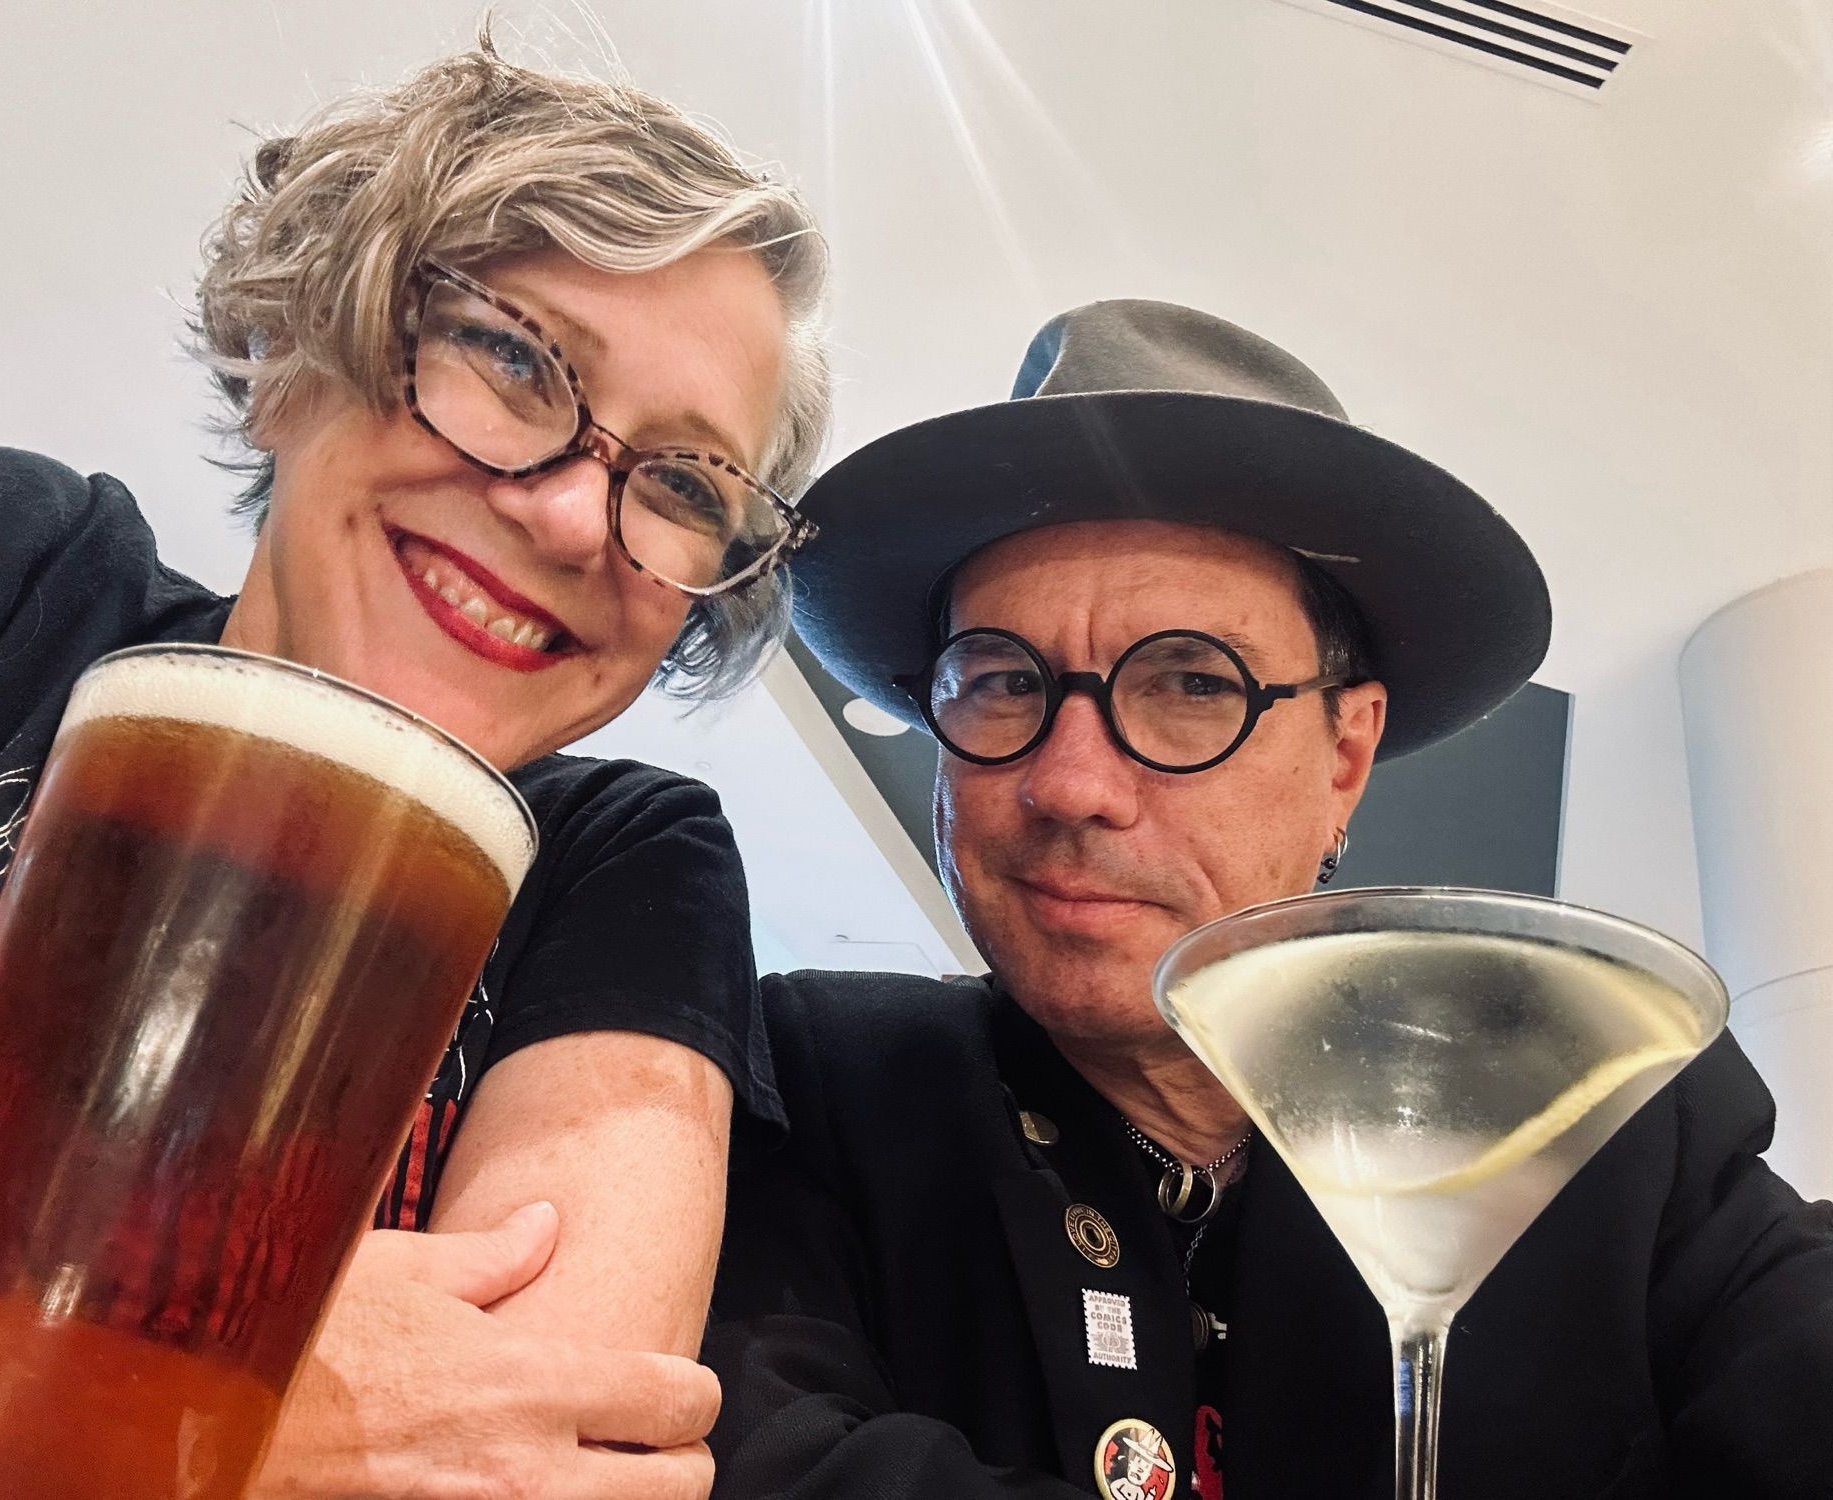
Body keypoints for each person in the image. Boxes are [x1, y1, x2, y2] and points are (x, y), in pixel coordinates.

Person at [0, 32, 828, 1500]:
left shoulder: (628, 863)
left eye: (682, 482)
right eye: (510, 356)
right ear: (297, 352)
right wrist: (195, 1416)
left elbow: (542, 1453)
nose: (568, 516)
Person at [704, 300, 1833, 1498]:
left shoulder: (1603, 1112)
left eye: (1192, 682)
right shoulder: (810, 1088)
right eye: (996, 681)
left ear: (1344, 756)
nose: (1068, 782)